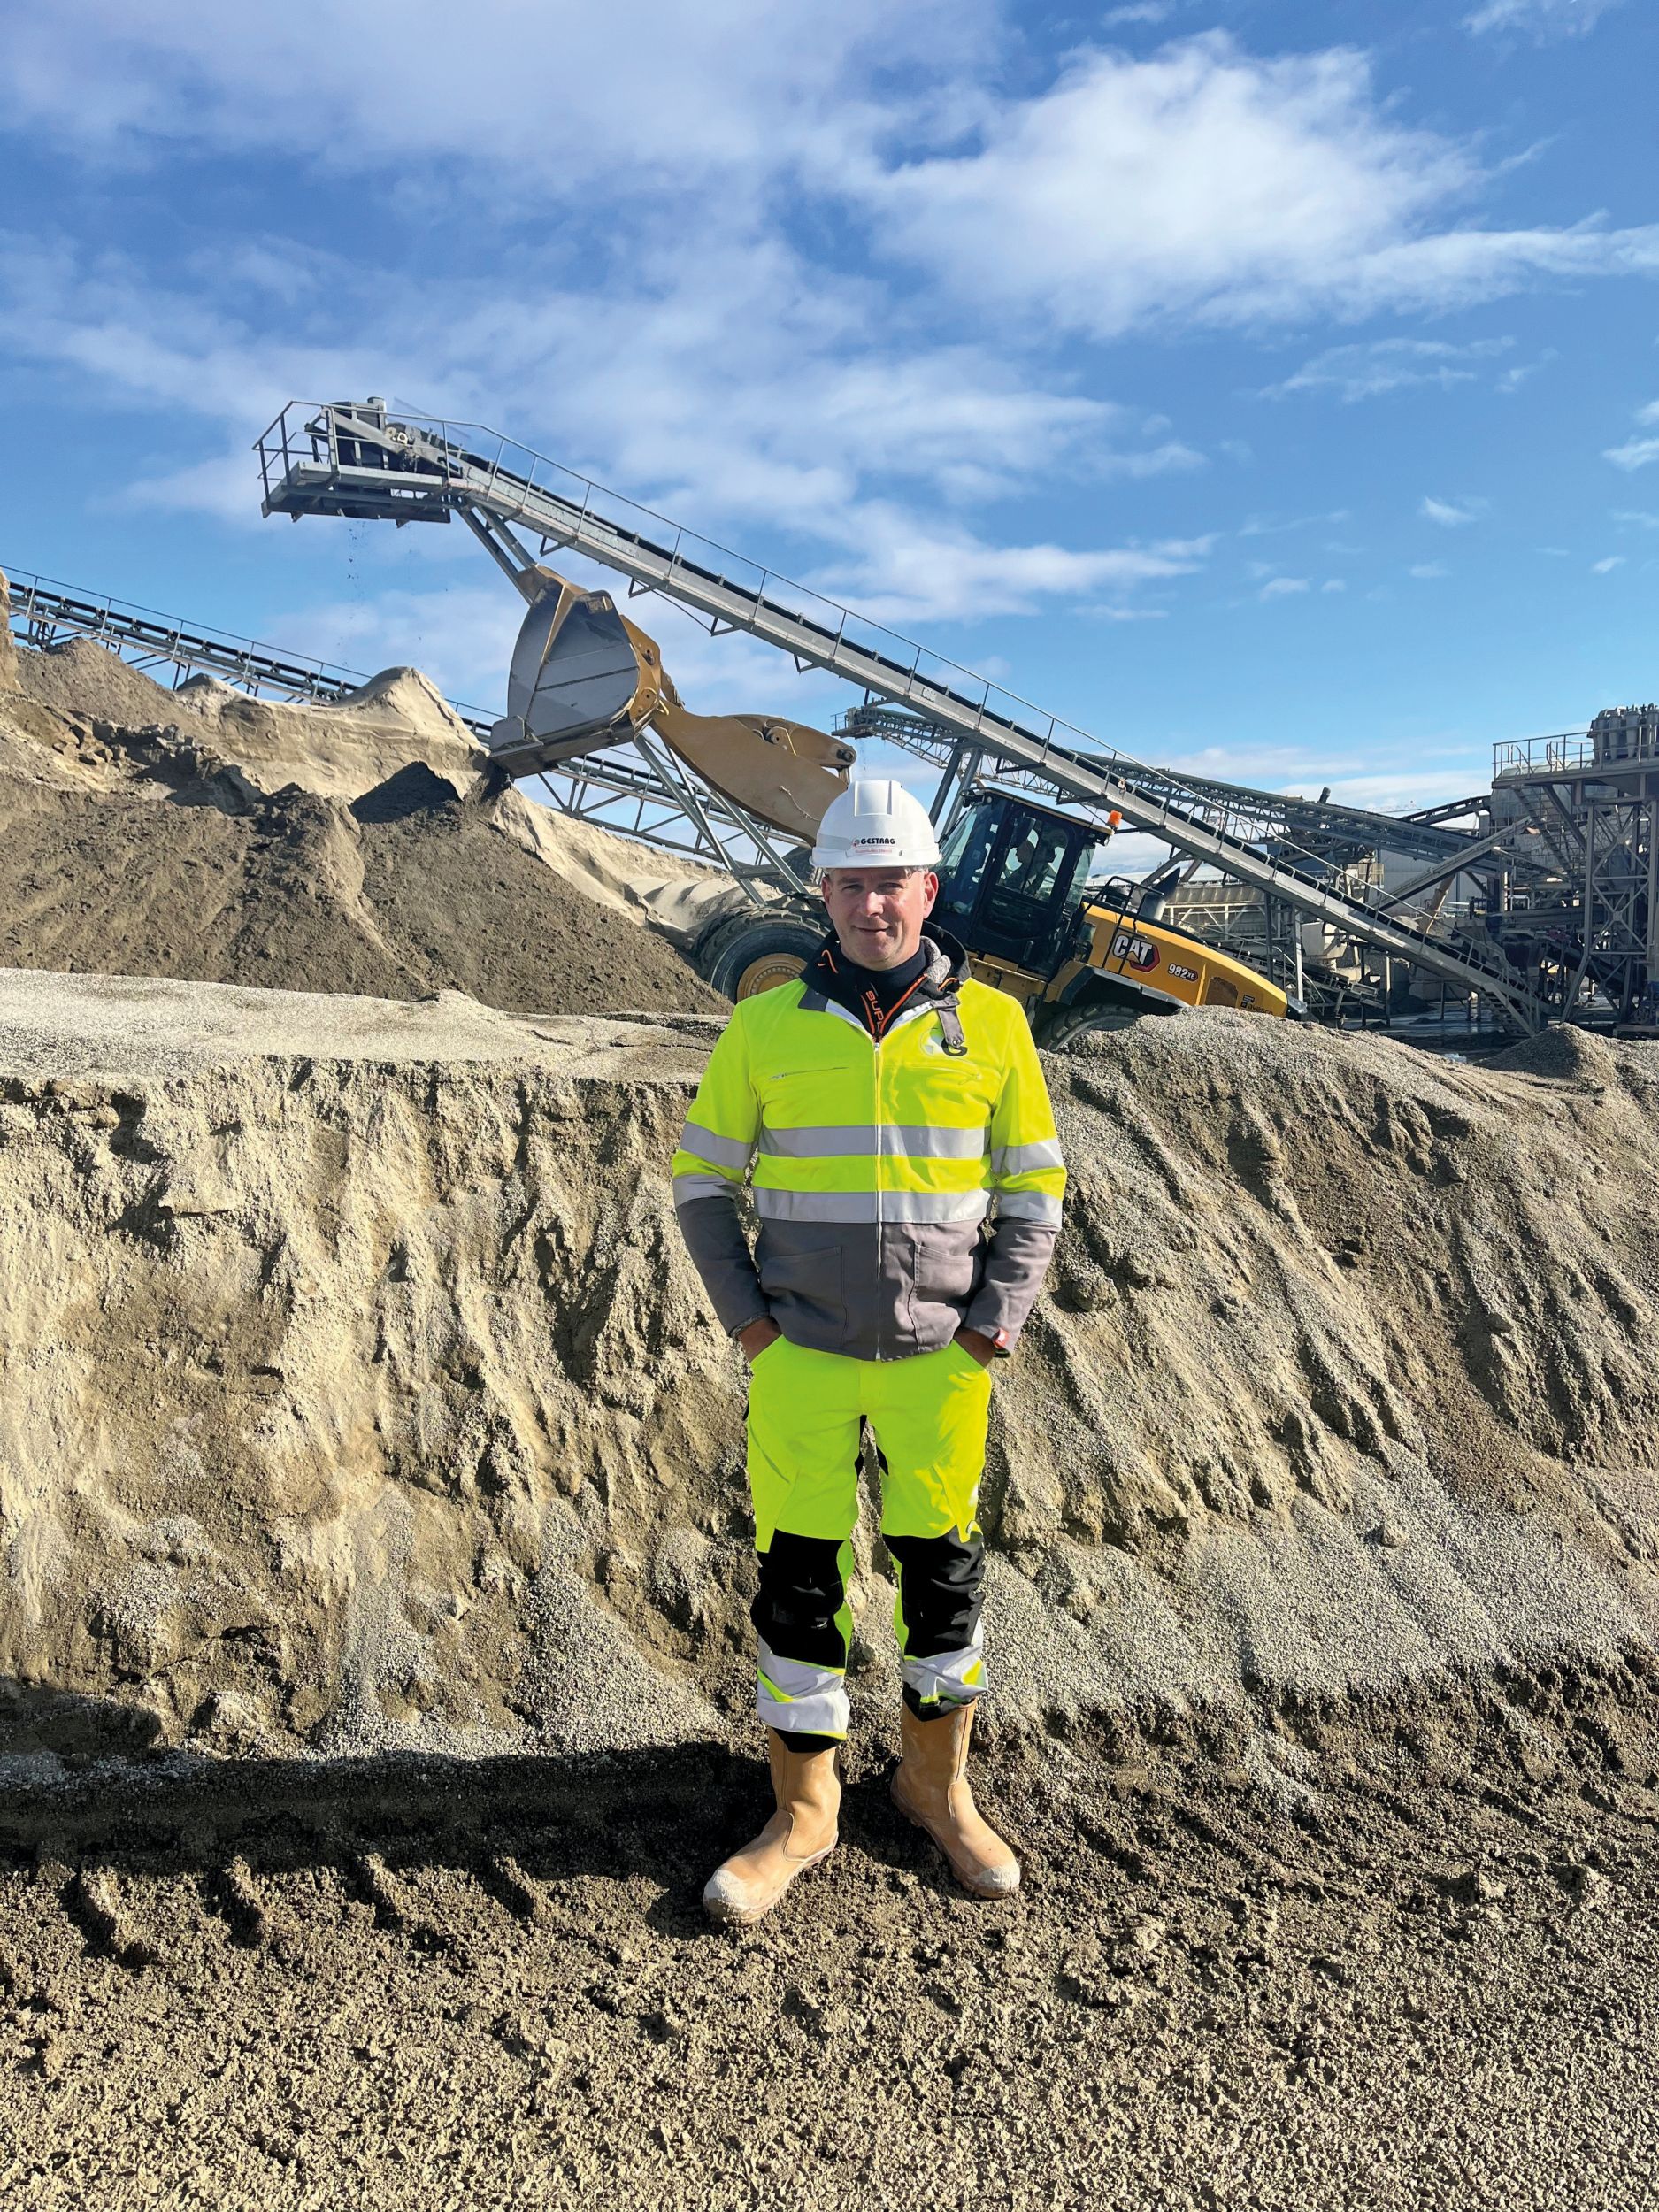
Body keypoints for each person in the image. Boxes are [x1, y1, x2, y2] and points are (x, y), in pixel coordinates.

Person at [671, 779, 1065, 1925]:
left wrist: (989, 1328)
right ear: (824, 893)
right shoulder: (763, 1026)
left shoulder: (994, 1028)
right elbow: (701, 1182)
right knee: (799, 1582)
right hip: (801, 1357)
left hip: (942, 1363)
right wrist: (752, 1326)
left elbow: (1035, 1191)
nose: (871, 903)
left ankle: (937, 1789)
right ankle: (805, 1812)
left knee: (941, 1580)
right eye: (850, 883)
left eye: (890, 882)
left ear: (927, 890)